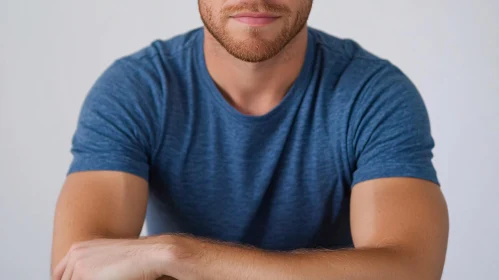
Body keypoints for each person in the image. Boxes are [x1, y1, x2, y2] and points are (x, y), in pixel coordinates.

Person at [51, 0, 449, 279]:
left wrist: (180, 256)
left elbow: (410, 270)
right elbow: (83, 269)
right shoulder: (135, 90)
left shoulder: (374, 93)